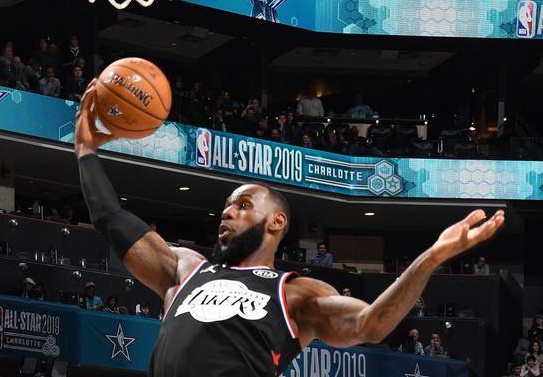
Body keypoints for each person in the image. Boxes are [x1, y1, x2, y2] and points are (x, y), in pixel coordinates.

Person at [73, 82, 504, 376]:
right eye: (225, 207)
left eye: (242, 206)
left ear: (276, 222)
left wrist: (429, 259)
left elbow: (370, 324)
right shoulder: (186, 270)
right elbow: (110, 219)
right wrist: (86, 149)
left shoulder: (296, 294)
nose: (226, 213)